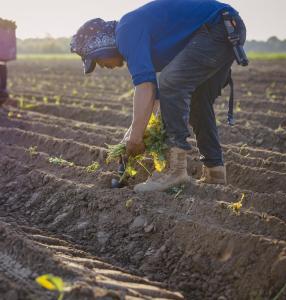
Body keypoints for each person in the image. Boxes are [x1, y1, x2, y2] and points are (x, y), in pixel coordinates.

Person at [70, 0, 247, 192]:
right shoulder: (131, 30)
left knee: (171, 82)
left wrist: (136, 138)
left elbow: (145, 86)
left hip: (217, 28)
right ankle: (215, 171)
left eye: (97, 61)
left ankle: (175, 170)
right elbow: (153, 97)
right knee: (197, 100)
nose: (102, 66)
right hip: (228, 27)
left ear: (102, 45)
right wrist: (131, 135)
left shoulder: (125, 31)